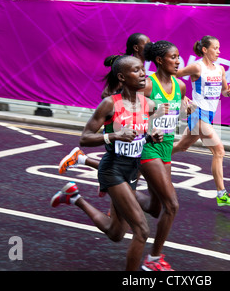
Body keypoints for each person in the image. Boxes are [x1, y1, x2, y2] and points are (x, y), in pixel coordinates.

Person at [50, 55, 163, 271]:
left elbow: (140, 136)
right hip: (112, 170)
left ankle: (74, 197)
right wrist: (113, 136)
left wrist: (152, 136)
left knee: (115, 233)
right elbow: (84, 138)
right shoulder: (110, 104)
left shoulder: (149, 104)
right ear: (122, 77)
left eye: (143, 70)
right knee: (142, 230)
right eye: (136, 70)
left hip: (132, 171)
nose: (143, 74)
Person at [58, 33, 150, 174]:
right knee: (125, 170)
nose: (150, 46)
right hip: (120, 124)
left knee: (132, 171)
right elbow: (106, 94)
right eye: (147, 44)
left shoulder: (142, 68)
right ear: (137, 48)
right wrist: (120, 109)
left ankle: (82, 166)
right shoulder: (127, 66)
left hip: (136, 126)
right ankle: (96, 174)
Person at [172, 35, 230, 207]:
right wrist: (183, 97)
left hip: (210, 114)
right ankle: (222, 194)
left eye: (219, 48)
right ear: (205, 49)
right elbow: (172, 76)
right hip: (196, 112)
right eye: (215, 48)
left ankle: (148, 158)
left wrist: (228, 93)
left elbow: (224, 91)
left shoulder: (220, 70)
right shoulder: (197, 67)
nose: (219, 51)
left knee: (182, 146)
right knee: (219, 150)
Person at [137, 40, 187, 271]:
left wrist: (186, 111)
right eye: (173, 57)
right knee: (172, 205)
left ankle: (120, 192)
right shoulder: (147, 85)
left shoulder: (181, 87)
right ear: (159, 60)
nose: (178, 61)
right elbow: (126, 116)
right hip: (148, 148)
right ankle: (153, 260)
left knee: (155, 208)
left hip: (166, 149)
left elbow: (175, 119)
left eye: (178, 57)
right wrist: (153, 115)